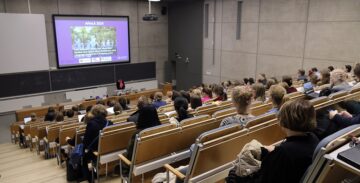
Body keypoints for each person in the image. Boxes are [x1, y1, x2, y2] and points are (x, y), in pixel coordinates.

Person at [250, 99, 319, 183]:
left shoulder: (284, 153)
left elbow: (265, 179)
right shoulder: (313, 138)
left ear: (283, 121)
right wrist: (275, 150)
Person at [121, 105, 161, 174]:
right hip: (158, 162)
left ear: (141, 117)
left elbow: (130, 153)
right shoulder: (162, 128)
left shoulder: (138, 134)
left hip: (140, 166)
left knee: (124, 154)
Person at [82, 104, 113, 182]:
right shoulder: (109, 122)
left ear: (94, 112)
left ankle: (89, 178)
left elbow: (86, 142)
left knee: (83, 153)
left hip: (96, 151)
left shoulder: (91, 124)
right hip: (108, 148)